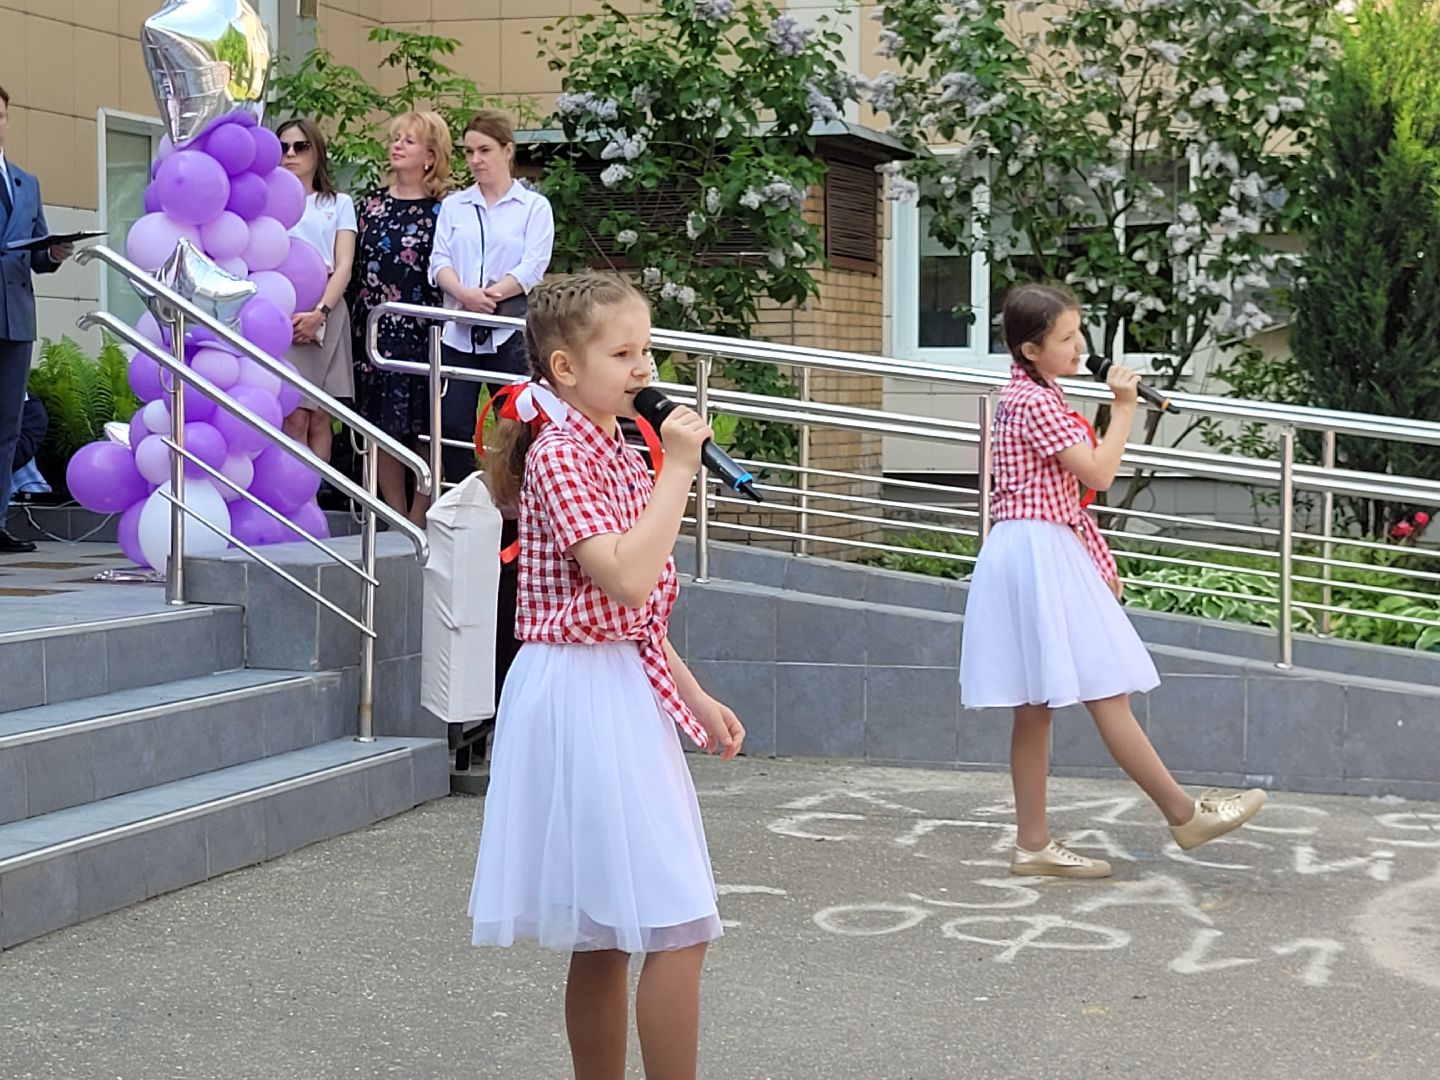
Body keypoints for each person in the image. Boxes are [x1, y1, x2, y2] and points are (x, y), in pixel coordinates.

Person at [467, 273, 744, 1080]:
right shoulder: (560, 455)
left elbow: (636, 612)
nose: (643, 369)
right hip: (580, 692)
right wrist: (679, 469)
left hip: (618, 680)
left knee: (610, 932)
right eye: (623, 354)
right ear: (564, 367)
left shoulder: (615, 447)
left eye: (646, 350)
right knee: (675, 923)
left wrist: (694, 696)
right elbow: (623, 577)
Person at [958, 283, 1267, 878]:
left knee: (1037, 707)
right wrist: (1125, 407)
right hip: (1038, 550)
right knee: (1101, 688)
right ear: (1030, 349)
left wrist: (1094, 557)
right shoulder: (1034, 402)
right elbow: (1098, 474)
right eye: (1066, 338)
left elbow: (1068, 494)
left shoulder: (1034, 393)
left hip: (1036, 548)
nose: (1080, 348)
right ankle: (1183, 814)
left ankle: (1034, 844)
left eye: (1080, 333)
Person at [430, 110, 554, 486]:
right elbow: (439, 261)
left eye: (484, 150)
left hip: (508, 329)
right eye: (469, 152)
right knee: (452, 423)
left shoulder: (533, 207)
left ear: (507, 150)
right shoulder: (455, 205)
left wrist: (492, 295)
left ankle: (516, 499)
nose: (475, 160)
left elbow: (533, 264)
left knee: (514, 423)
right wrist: (464, 295)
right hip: (459, 329)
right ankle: (462, 497)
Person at [347, 110, 452, 525]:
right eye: (395, 138)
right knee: (381, 425)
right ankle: (394, 515)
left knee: (426, 425)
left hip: (423, 330)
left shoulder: (445, 210)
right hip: (374, 327)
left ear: (430, 156)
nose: (397, 146)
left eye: (409, 141)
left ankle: (420, 513)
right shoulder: (370, 206)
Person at [0, 86, 71, 552]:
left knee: (7, 426)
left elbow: (37, 251)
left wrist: (55, 253)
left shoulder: (26, 182)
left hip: (15, 318)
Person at [277, 118, 356, 463]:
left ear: (317, 151)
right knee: (294, 414)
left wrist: (320, 312)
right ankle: (290, 488)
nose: (291, 154)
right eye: (283, 148)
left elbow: (344, 265)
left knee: (321, 415)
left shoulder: (338, 203)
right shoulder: (268, 204)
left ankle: (315, 491)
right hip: (284, 308)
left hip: (327, 306)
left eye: (301, 146)